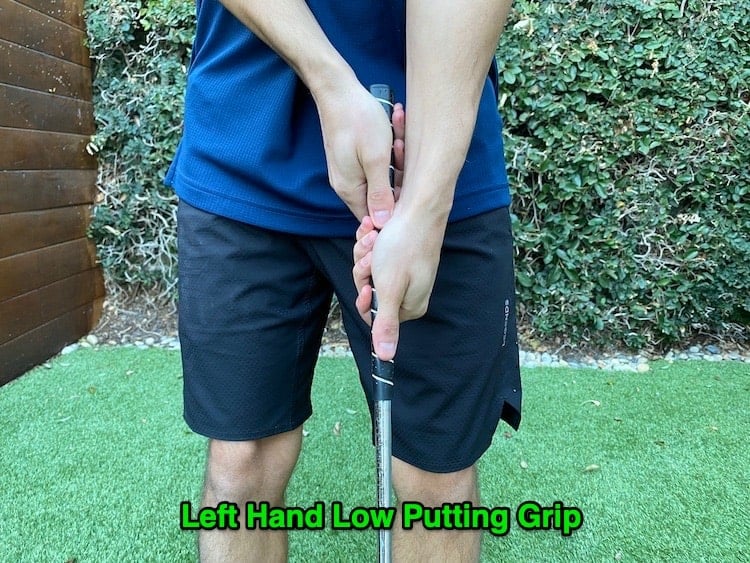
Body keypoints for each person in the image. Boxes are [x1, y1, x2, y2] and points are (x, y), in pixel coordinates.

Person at [166, 0, 521, 560]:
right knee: (239, 465)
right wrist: (330, 80)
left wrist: (426, 207)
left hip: (429, 155)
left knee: (437, 481)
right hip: (242, 149)